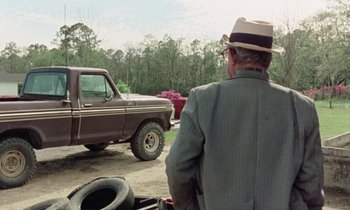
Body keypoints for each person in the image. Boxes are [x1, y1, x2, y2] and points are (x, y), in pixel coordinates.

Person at [165, 17, 324, 210]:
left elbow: (177, 166)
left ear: (232, 55)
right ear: (269, 59)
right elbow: (312, 182)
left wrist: (189, 207)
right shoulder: (303, 106)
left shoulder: (203, 98)